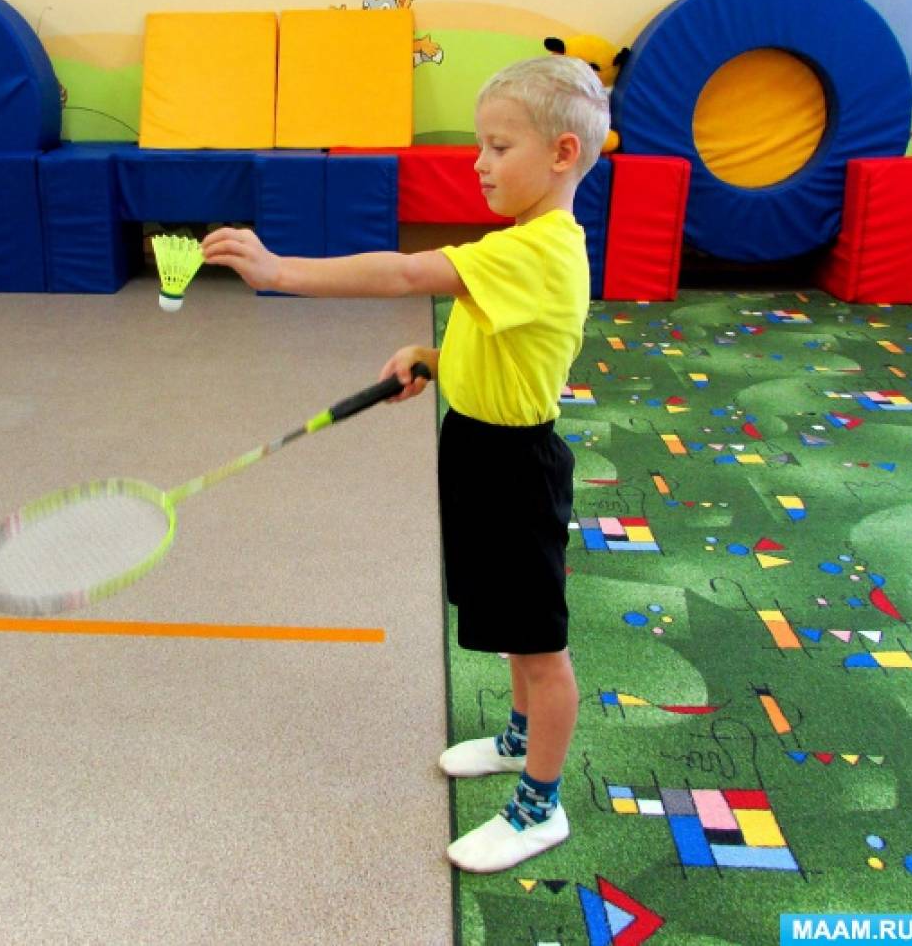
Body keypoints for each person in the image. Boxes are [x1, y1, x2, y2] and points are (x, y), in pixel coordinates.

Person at [200, 55, 609, 873]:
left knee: (539, 646)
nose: (478, 161)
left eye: (499, 146)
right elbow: (497, 340)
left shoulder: (540, 251)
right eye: (479, 146)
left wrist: (281, 273)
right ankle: (517, 738)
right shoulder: (522, 243)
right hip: (477, 442)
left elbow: (407, 270)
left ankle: (540, 807)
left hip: (515, 465)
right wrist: (433, 356)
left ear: (562, 155)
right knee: (500, 619)